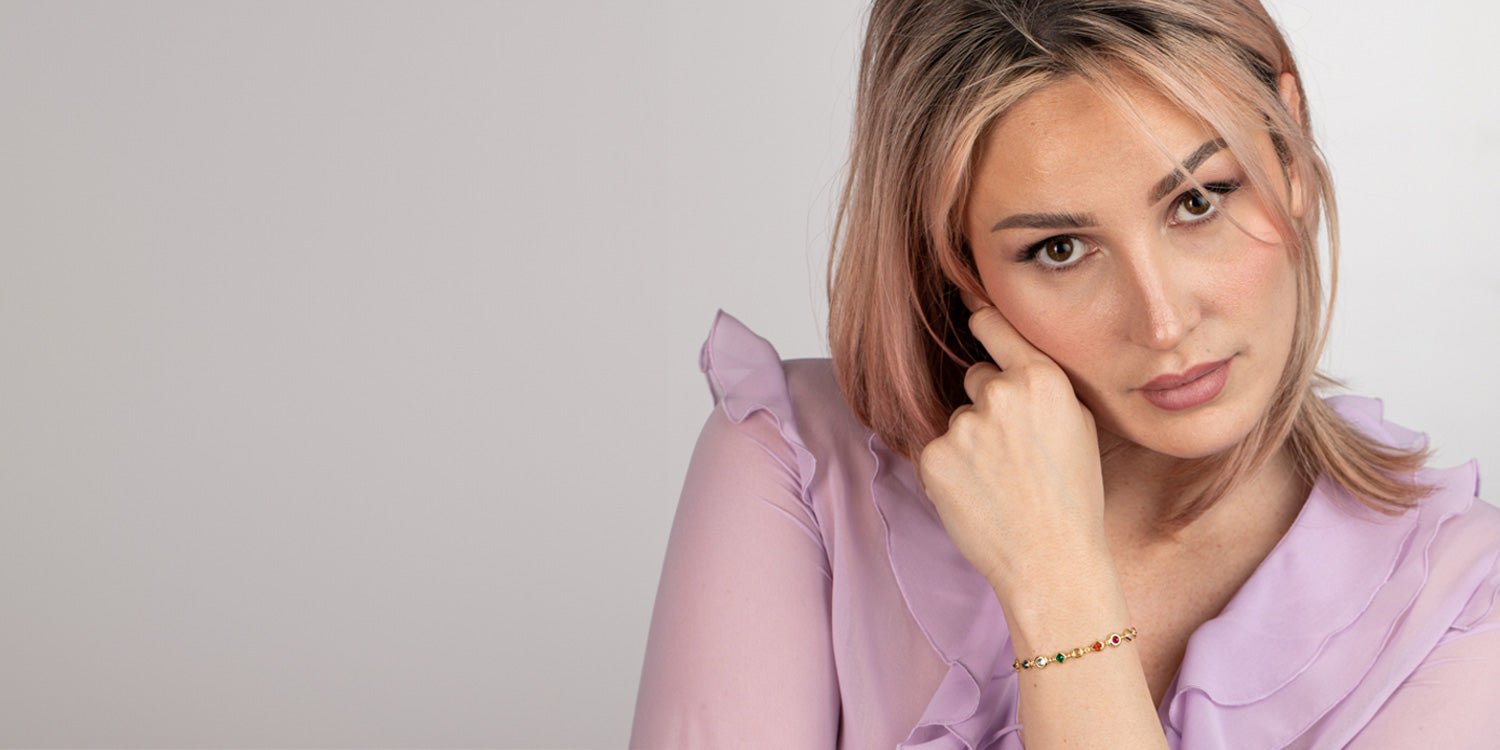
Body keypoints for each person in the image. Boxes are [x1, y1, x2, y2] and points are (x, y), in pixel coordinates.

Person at [631, 0, 1500, 747]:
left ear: (1291, 147)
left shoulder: (1461, 605)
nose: (1163, 322)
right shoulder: (799, 471)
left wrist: (1059, 590)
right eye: (1059, 249)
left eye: (1198, 201)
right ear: (957, 263)